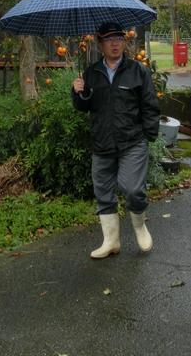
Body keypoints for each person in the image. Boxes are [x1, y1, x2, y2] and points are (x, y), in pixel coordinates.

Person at [72, 22, 159, 258]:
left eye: (119, 38)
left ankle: (140, 226)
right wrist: (78, 91)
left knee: (132, 189)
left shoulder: (137, 70)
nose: (115, 43)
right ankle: (111, 241)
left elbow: (150, 104)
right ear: (100, 44)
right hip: (102, 142)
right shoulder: (91, 73)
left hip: (132, 141)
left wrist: (149, 134)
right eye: (109, 39)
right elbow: (83, 106)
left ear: (124, 42)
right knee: (103, 193)